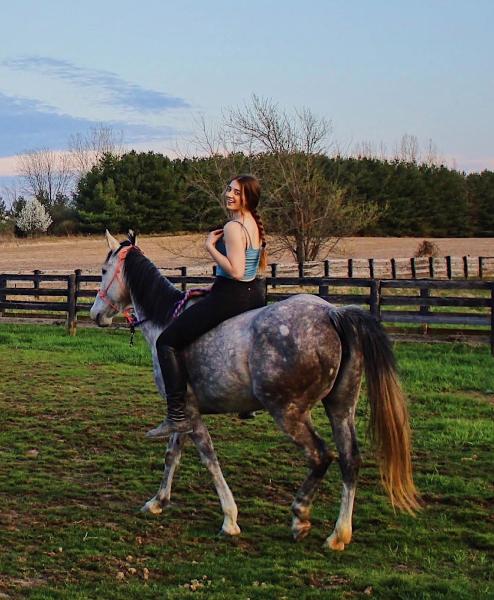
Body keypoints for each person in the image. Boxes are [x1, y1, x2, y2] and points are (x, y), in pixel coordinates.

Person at [146, 174, 267, 438]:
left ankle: (176, 415)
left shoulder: (234, 227)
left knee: (166, 342)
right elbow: (249, 269)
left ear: (248, 198)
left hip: (232, 296)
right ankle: (247, 404)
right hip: (255, 293)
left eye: (237, 192)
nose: (229, 194)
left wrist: (210, 247)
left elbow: (235, 271)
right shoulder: (252, 223)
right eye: (229, 189)